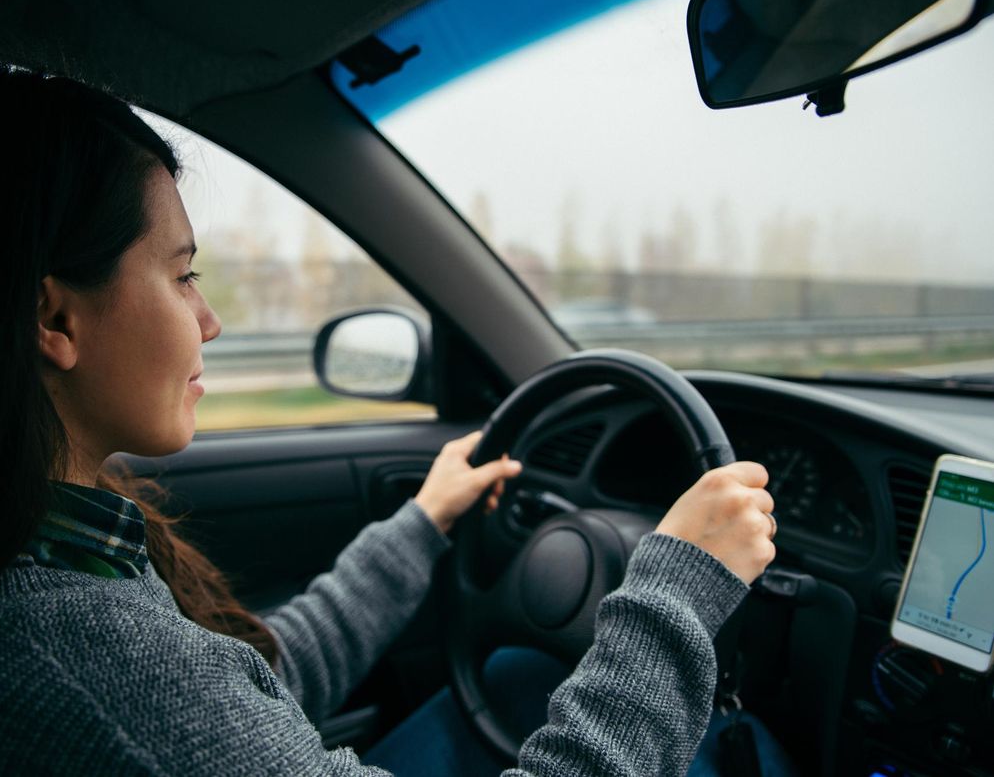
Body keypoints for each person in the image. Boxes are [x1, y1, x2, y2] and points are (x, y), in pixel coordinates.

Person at [0, 69, 783, 776]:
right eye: (182, 276)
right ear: (55, 317)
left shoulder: (67, 556)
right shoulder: (82, 648)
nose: (207, 321)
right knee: (738, 746)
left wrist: (423, 520)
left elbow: (258, 687)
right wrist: (675, 593)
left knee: (515, 681)